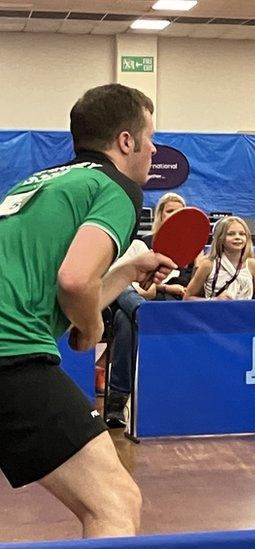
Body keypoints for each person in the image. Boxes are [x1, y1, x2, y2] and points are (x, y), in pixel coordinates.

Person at [0, 83, 176, 537]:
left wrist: (125, 271)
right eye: (151, 137)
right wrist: (93, 327)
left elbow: (52, 287)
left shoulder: (41, 182)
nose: (154, 149)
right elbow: (75, 281)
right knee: (114, 502)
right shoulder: (115, 188)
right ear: (125, 141)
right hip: (10, 354)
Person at [104, 192, 193, 427]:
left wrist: (167, 288)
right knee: (124, 305)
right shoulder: (143, 245)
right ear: (160, 215)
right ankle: (144, 314)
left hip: (170, 308)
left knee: (125, 318)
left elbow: (188, 288)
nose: (174, 216)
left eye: (179, 212)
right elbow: (136, 284)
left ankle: (116, 400)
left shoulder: (194, 249)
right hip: (138, 300)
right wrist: (162, 287)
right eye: (169, 211)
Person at [185, 216, 255, 300]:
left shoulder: (254, 265)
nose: (237, 237)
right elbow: (187, 298)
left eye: (242, 234)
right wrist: (214, 300)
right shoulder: (208, 265)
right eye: (231, 234)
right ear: (220, 238)